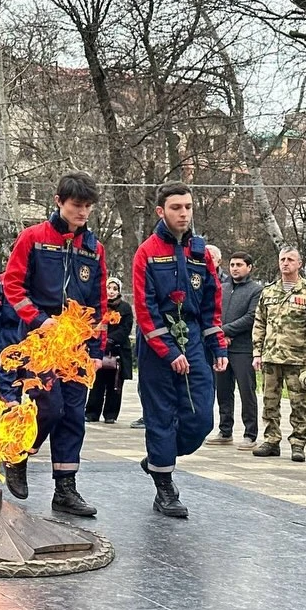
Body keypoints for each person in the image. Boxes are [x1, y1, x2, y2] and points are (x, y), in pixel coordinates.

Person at [2, 172, 107, 516]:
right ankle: (18, 455)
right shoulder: (33, 238)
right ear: (58, 201)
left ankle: (65, 488)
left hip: (75, 343)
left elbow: (99, 303)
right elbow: (13, 287)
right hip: (39, 338)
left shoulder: (94, 249)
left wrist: (95, 350)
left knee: (74, 415)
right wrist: (38, 319)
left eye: (88, 207)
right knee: (49, 406)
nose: (83, 213)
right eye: (77, 205)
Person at [133, 182, 227, 518]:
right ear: (161, 211)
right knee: (161, 416)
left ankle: (159, 458)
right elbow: (145, 310)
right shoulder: (147, 252)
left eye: (187, 206)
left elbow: (212, 305)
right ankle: (164, 488)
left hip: (196, 342)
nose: (183, 213)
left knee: (201, 419)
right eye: (176, 207)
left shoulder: (201, 253)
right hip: (158, 347)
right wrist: (170, 352)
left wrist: (217, 346)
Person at [251, 247, 306, 462]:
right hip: (271, 356)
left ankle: (298, 443)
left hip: (298, 357)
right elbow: (260, 322)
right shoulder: (269, 291)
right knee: (270, 401)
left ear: (299, 264)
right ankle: (271, 440)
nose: (285, 263)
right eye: (282, 259)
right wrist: (257, 352)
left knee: (298, 402)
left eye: (290, 259)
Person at [205, 251, 262, 450]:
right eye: (233, 265)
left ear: (249, 267)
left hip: (243, 349)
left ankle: (250, 433)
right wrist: (220, 334)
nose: (235, 268)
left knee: (247, 392)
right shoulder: (223, 287)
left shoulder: (256, 290)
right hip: (221, 348)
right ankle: (225, 430)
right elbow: (214, 313)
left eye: (239, 264)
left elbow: (252, 317)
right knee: (223, 390)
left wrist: (225, 330)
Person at [85, 276, 133, 424]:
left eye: (114, 289)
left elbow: (125, 329)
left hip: (118, 351)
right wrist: (100, 341)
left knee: (115, 385)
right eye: (109, 288)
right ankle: (92, 412)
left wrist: (111, 340)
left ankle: (111, 414)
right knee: (97, 384)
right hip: (100, 350)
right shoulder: (99, 306)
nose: (111, 292)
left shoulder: (125, 308)